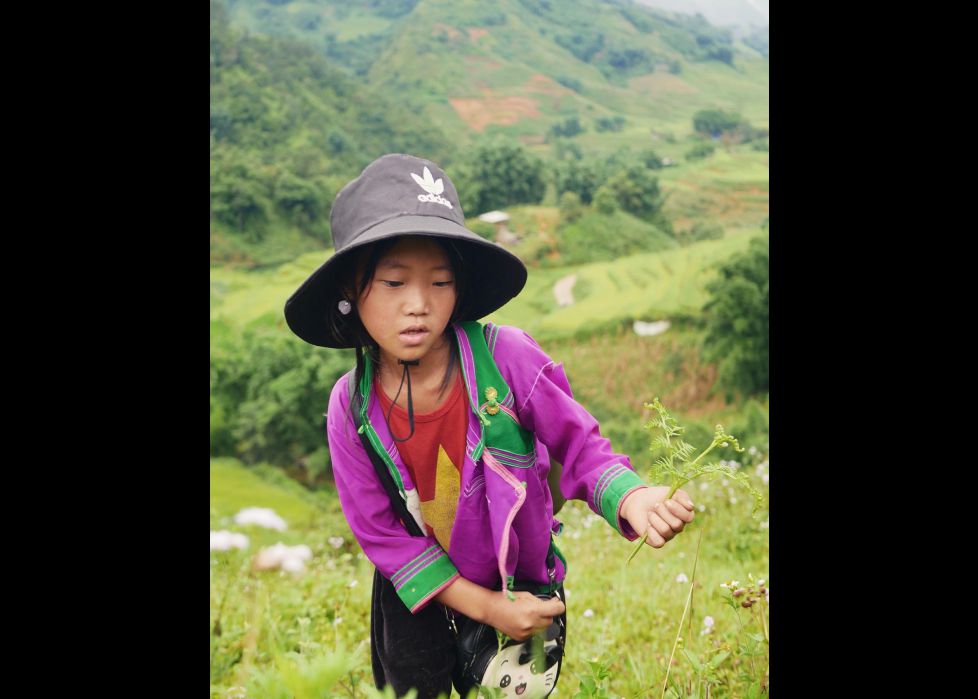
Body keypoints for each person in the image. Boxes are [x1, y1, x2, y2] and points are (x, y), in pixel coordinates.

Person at [284, 153, 695, 699]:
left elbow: (581, 448)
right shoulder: (351, 407)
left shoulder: (510, 360)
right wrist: (485, 609)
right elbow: (382, 533)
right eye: (392, 282)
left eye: (440, 281)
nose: (418, 304)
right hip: (420, 590)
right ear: (351, 295)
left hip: (517, 582)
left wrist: (632, 499)